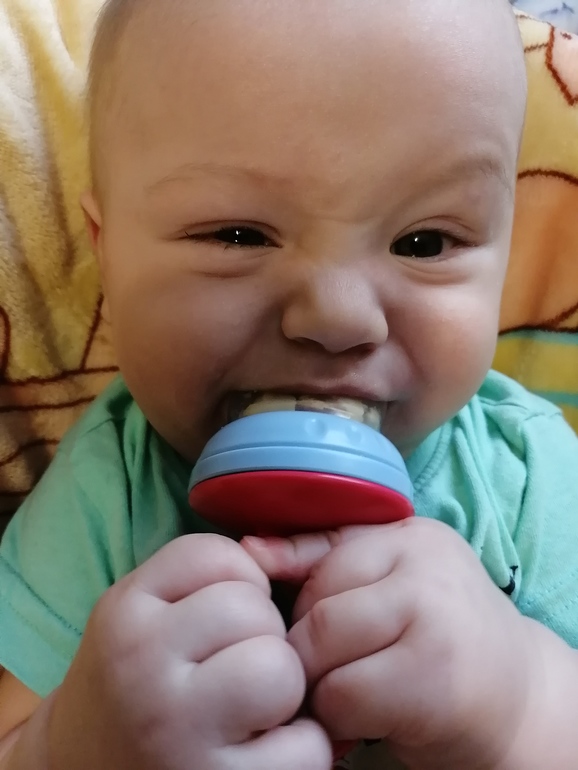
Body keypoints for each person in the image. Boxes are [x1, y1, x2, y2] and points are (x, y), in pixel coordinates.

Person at [1, 0, 578, 768]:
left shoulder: (528, 474)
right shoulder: (109, 488)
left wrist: (524, 702)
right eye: (238, 235)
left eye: (424, 242)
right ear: (107, 253)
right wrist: (76, 745)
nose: (338, 318)